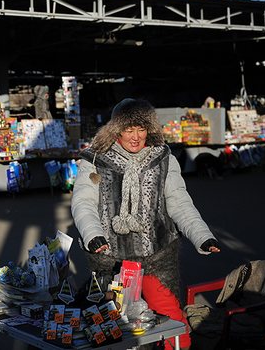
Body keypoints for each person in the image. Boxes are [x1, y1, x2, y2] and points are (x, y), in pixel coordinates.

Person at [71, 98, 220, 350]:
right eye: (129, 129)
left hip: (157, 255)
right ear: (116, 130)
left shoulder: (164, 159)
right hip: (110, 257)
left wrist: (202, 236)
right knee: (114, 325)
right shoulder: (95, 160)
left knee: (171, 323)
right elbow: (82, 202)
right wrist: (93, 234)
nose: (136, 136)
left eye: (142, 129)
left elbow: (179, 203)